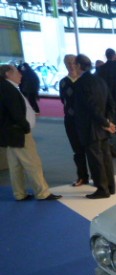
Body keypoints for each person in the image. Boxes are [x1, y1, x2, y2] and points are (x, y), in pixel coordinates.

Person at [0, 64, 61, 201]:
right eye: (17, 72)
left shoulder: (4, 87)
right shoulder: (9, 89)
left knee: (15, 165)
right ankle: (42, 192)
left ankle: (19, 193)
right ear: (8, 73)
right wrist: (25, 126)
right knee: (32, 162)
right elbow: (16, 113)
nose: (21, 75)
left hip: (10, 134)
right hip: (19, 133)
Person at [73, 54, 116, 199]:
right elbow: (111, 104)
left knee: (95, 160)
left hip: (90, 128)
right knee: (106, 158)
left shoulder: (80, 84)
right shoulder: (100, 81)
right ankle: (110, 186)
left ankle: (102, 189)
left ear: (79, 66)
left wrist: (105, 123)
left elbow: (90, 107)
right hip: (103, 128)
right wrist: (109, 122)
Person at [59, 54, 89, 187]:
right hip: (71, 121)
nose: (70, 65)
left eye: (72, 62)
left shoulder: (85, 80)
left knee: (92, 150)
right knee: (78, 151)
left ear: (77, 64)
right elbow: (63, 100)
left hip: (87, 121)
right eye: (67, 63)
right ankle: (82, 176)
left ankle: (99, 177)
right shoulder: (63, 82)